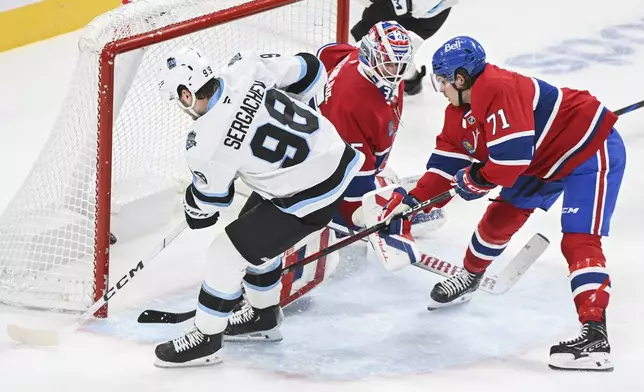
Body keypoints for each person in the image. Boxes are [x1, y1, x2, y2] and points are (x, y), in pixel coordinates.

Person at [379, 36, 624, 371]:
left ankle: (595, 336)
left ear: (461, 79)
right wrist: (409, 204)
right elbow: (442, 168)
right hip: (542, 161)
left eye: (443, 81)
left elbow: (509, 162)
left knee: (579, 240)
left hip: (588, 149)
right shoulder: (459, 112)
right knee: (497, 221)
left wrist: (475, 180)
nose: (441, 89)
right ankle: (470, 276)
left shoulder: (497, 88)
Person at [153, 47, 364, 367]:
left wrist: (191, 204)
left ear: (185, 94)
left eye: (178, 100)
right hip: (335, 153)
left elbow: (210, 206)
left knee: (224, 253)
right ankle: (263, 316)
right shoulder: (245, 67)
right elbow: (310, 68)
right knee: (249, 229)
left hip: (309, 197)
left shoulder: (205, 142)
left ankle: (206, 339)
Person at [350, 0, 458, 95]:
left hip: (424, 19)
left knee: (387, 45)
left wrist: (346, 46)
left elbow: (377, 16)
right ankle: (408, 77)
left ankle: (409, 79)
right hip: (411, 9)